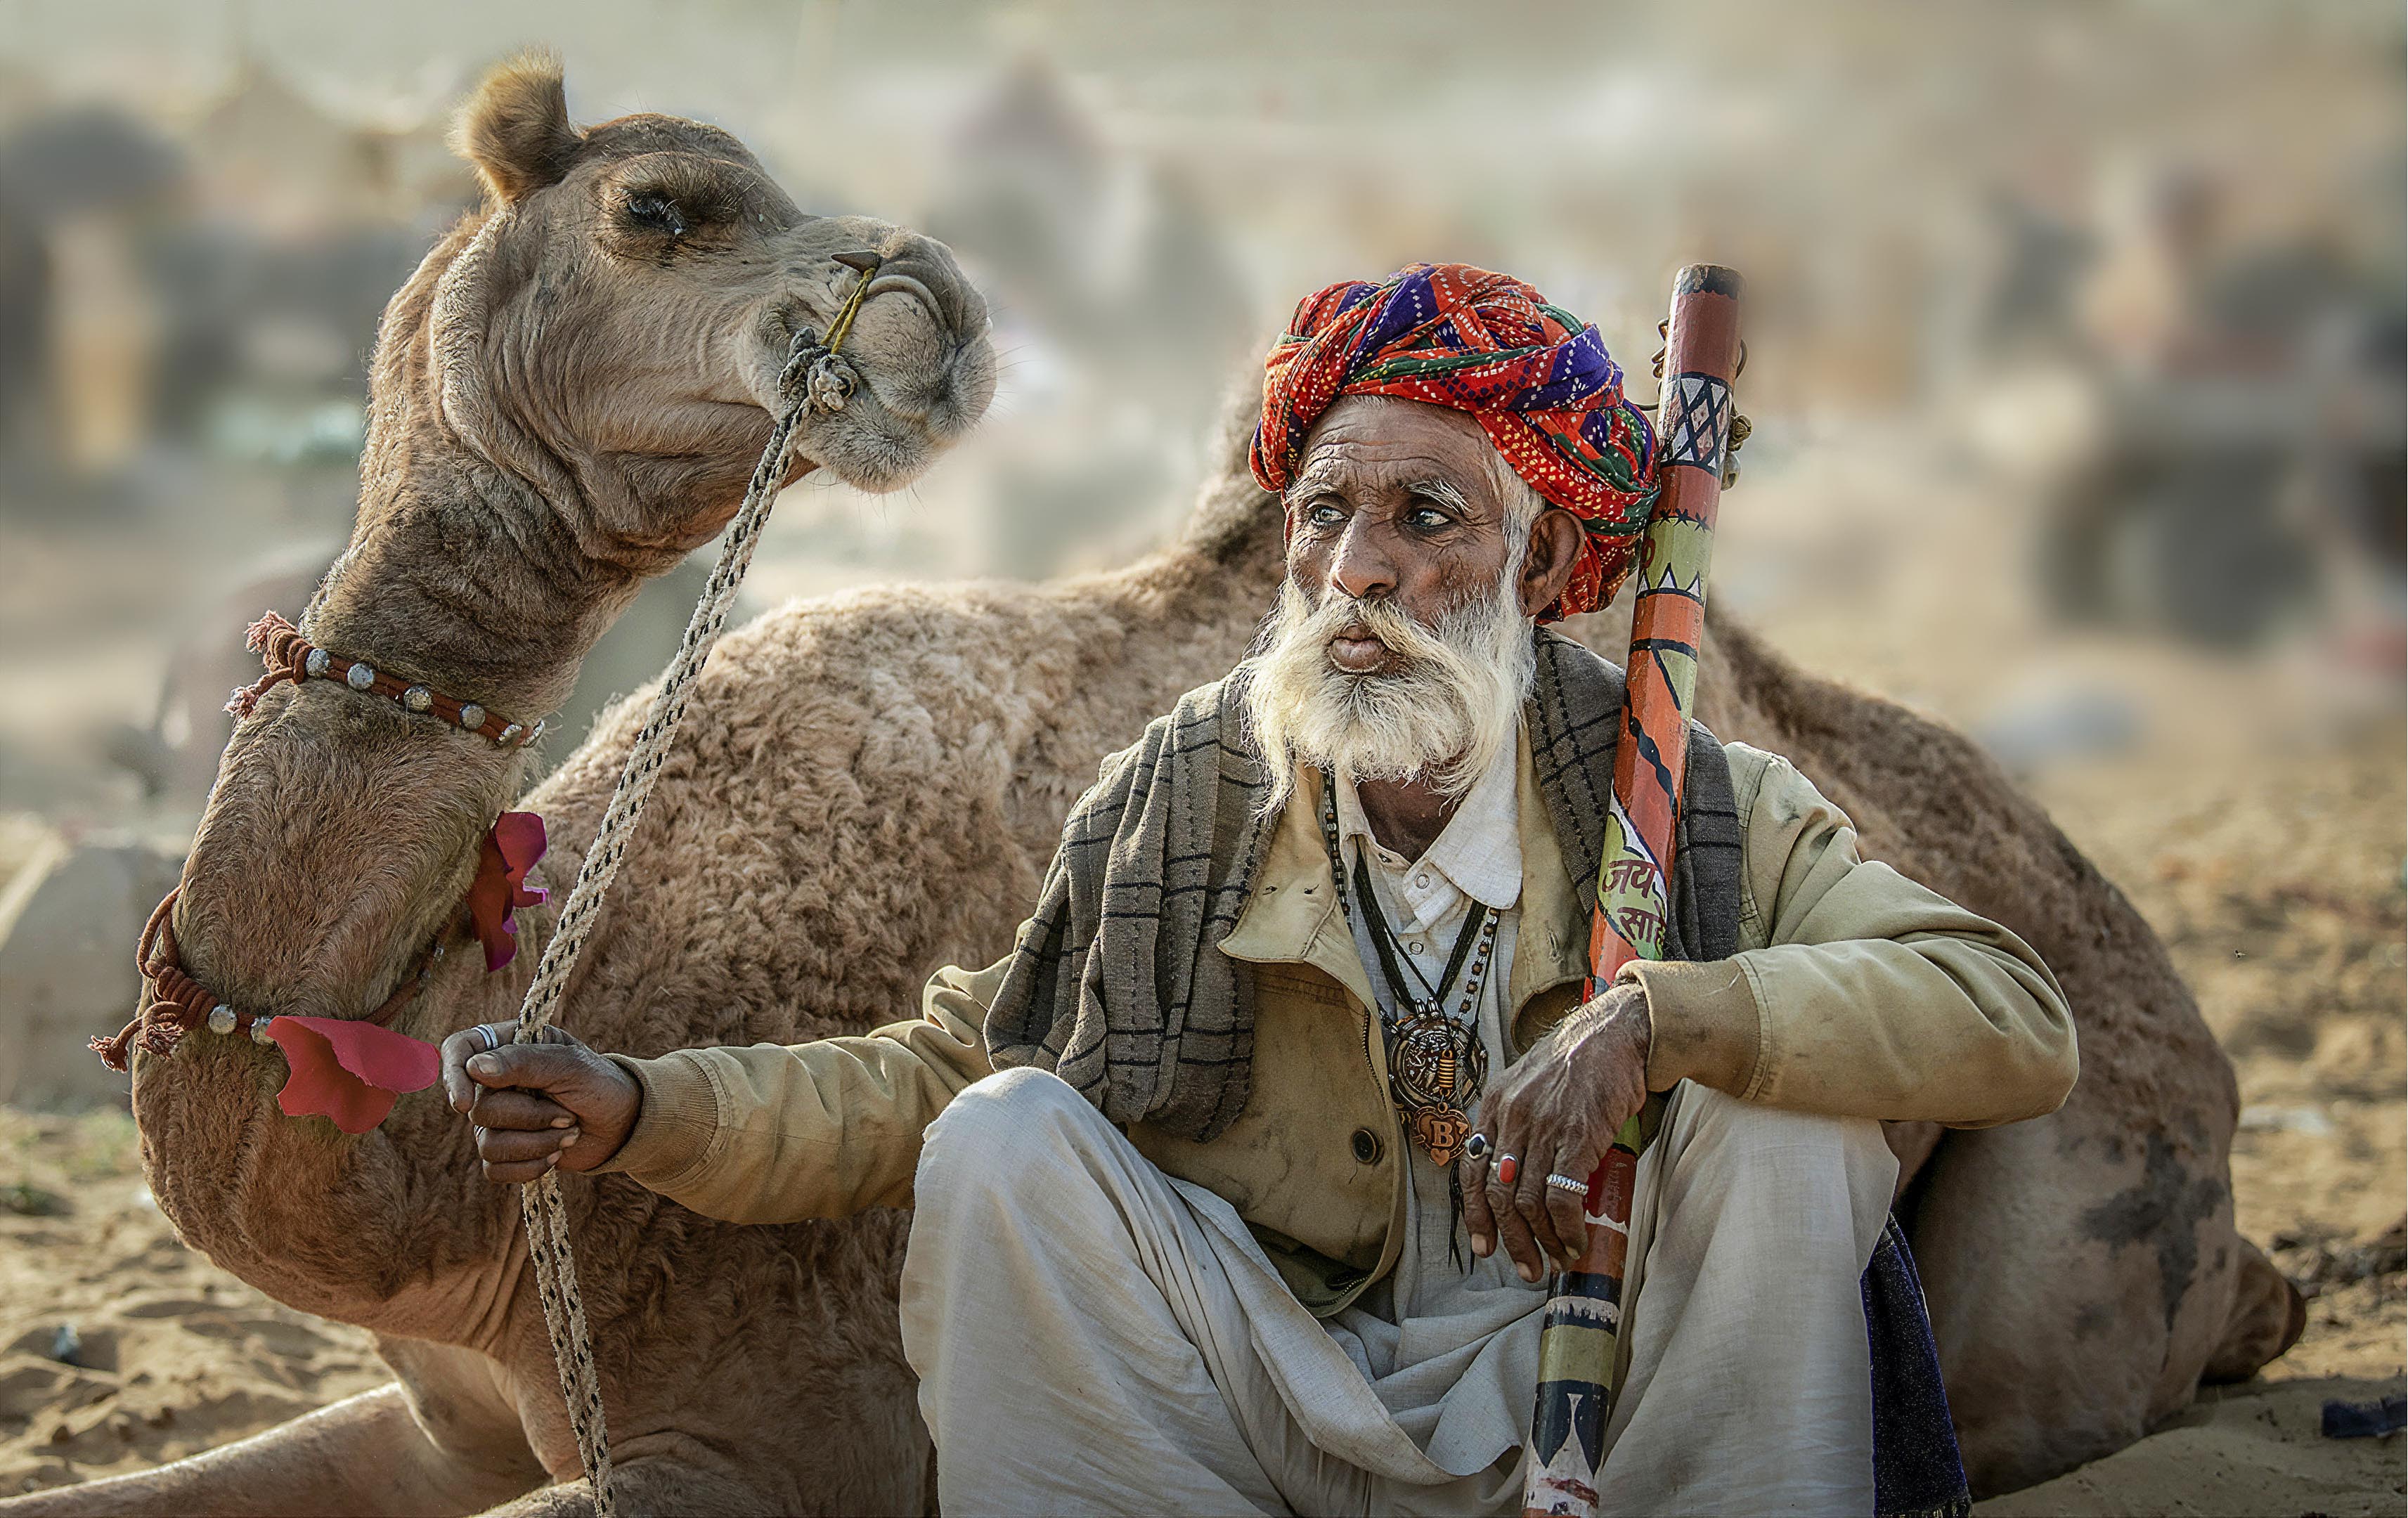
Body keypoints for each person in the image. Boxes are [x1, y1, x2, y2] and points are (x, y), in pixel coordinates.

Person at [447, 264, 2076, 1516]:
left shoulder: (1698, 809)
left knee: (1784, 1115)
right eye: (1326, 515)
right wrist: (645, 1111)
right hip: (1280, 1395)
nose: (1358, 567)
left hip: (1601, 1389)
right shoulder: (1189, 793)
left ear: (1550, 572)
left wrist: (1661, 1024)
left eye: (1427, 518)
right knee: (1010, 1144)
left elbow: (2007, 1016)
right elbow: (965, 1065)